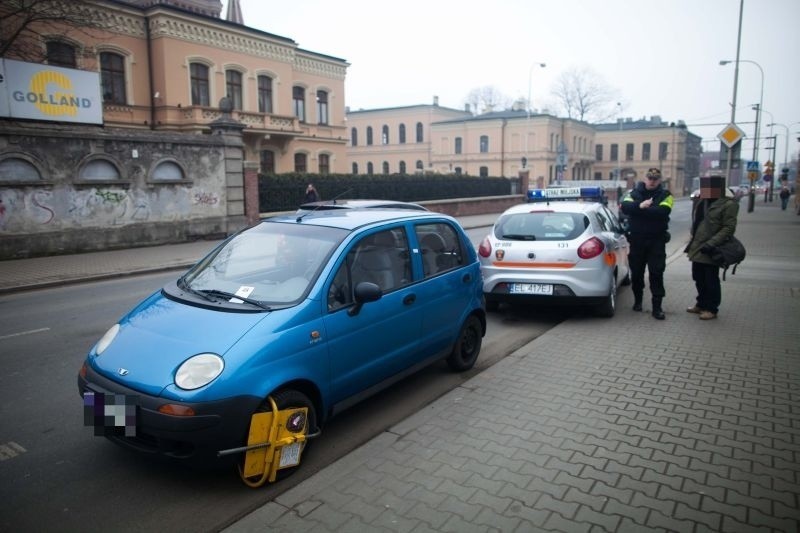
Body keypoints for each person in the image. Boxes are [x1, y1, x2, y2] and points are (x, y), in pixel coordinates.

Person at [620, 168, 674, 319]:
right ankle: (638, 302)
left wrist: (640, 209)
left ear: (659, 180)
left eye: (655, 179)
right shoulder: (634, 193)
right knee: (636, 274)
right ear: (645, 178)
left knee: (656, 274)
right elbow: (625, 207)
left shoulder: (666, 195)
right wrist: (639, 206)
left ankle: (657, 308)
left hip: (656, 241)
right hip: (637, 241)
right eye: (650, 178)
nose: (652, 181)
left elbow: (662, 212)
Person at [684, 175, 739, 320]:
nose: (705, 190)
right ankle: (701, 303)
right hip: (697, 246)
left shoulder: (728, 204)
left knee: (711, 279)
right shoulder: (703, 201)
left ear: (718, 189)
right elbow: (697, 222)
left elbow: (728, 228)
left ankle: (711, 308)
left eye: (708, 188)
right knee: (698, 277)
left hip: (712, 247)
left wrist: (712, 243)